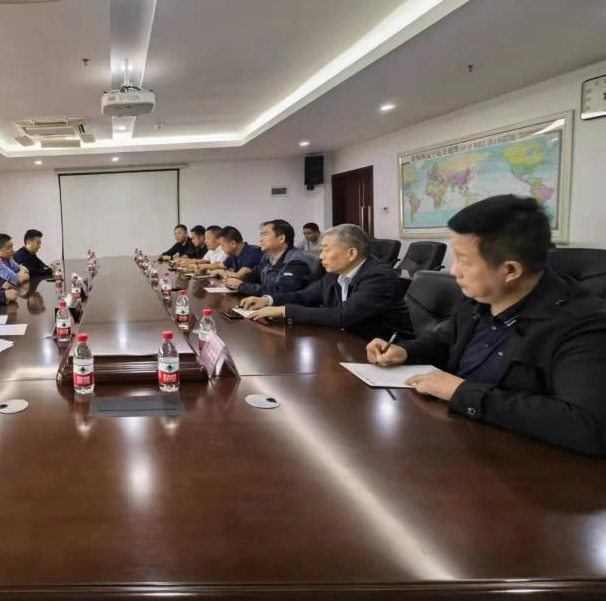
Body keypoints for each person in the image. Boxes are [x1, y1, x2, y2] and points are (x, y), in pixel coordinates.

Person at [366, 195, 606, 457]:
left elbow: (587, 425)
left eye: (463, 261)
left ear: (510, 270)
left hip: (521, 464)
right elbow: (444, 340)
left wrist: (462, 393)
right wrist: (404, 351)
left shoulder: (584, 325)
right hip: (455, 438)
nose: (453, 271)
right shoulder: (479, 300)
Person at [240, 223, 412, 341]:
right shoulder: (334, 274)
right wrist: (268, 300)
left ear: (351, 253)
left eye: (326, 250)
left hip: (386, 350)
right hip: (346, 341)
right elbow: (304, 296)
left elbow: (344, 315)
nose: (321, 256)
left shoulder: (379, 277)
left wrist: (285, 311)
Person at [224, 219, 319, 296]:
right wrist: (233, 282)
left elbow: (283, 291)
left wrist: (241, 286)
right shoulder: (267, 258)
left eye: (265, 234)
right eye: (261, 235)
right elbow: (252, 277)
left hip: (292, 311)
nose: (260, 239)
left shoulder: (297, 260)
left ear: (281, 238)